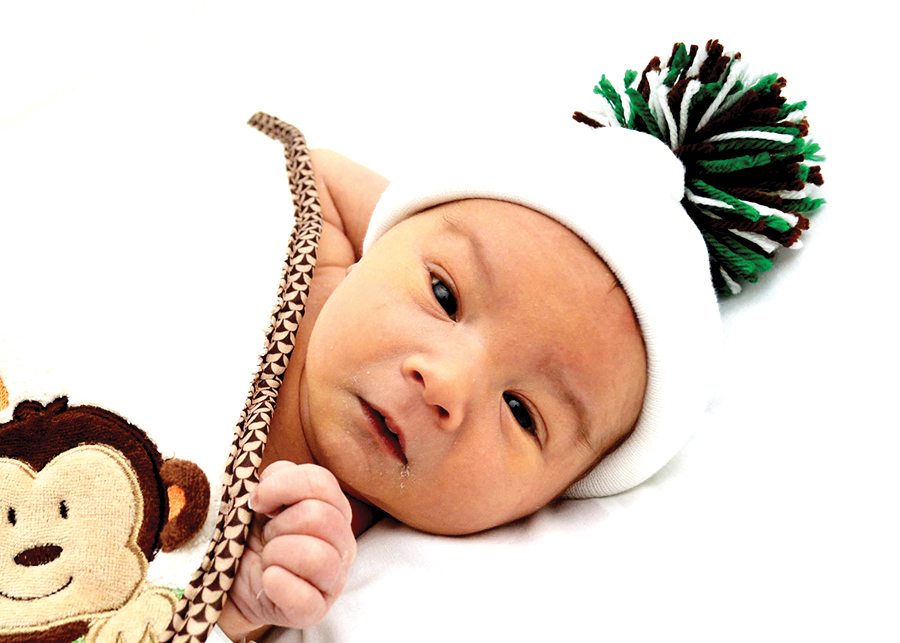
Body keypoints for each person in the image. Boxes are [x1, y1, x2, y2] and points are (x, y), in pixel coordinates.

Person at [215, 40, 824, 642]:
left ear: (545, 499)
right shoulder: (318, 262)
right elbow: (296, 167)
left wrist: (247, 600)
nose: (446, 383)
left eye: (521, 412)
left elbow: (174, 600)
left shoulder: (324, 547)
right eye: (445, 296)